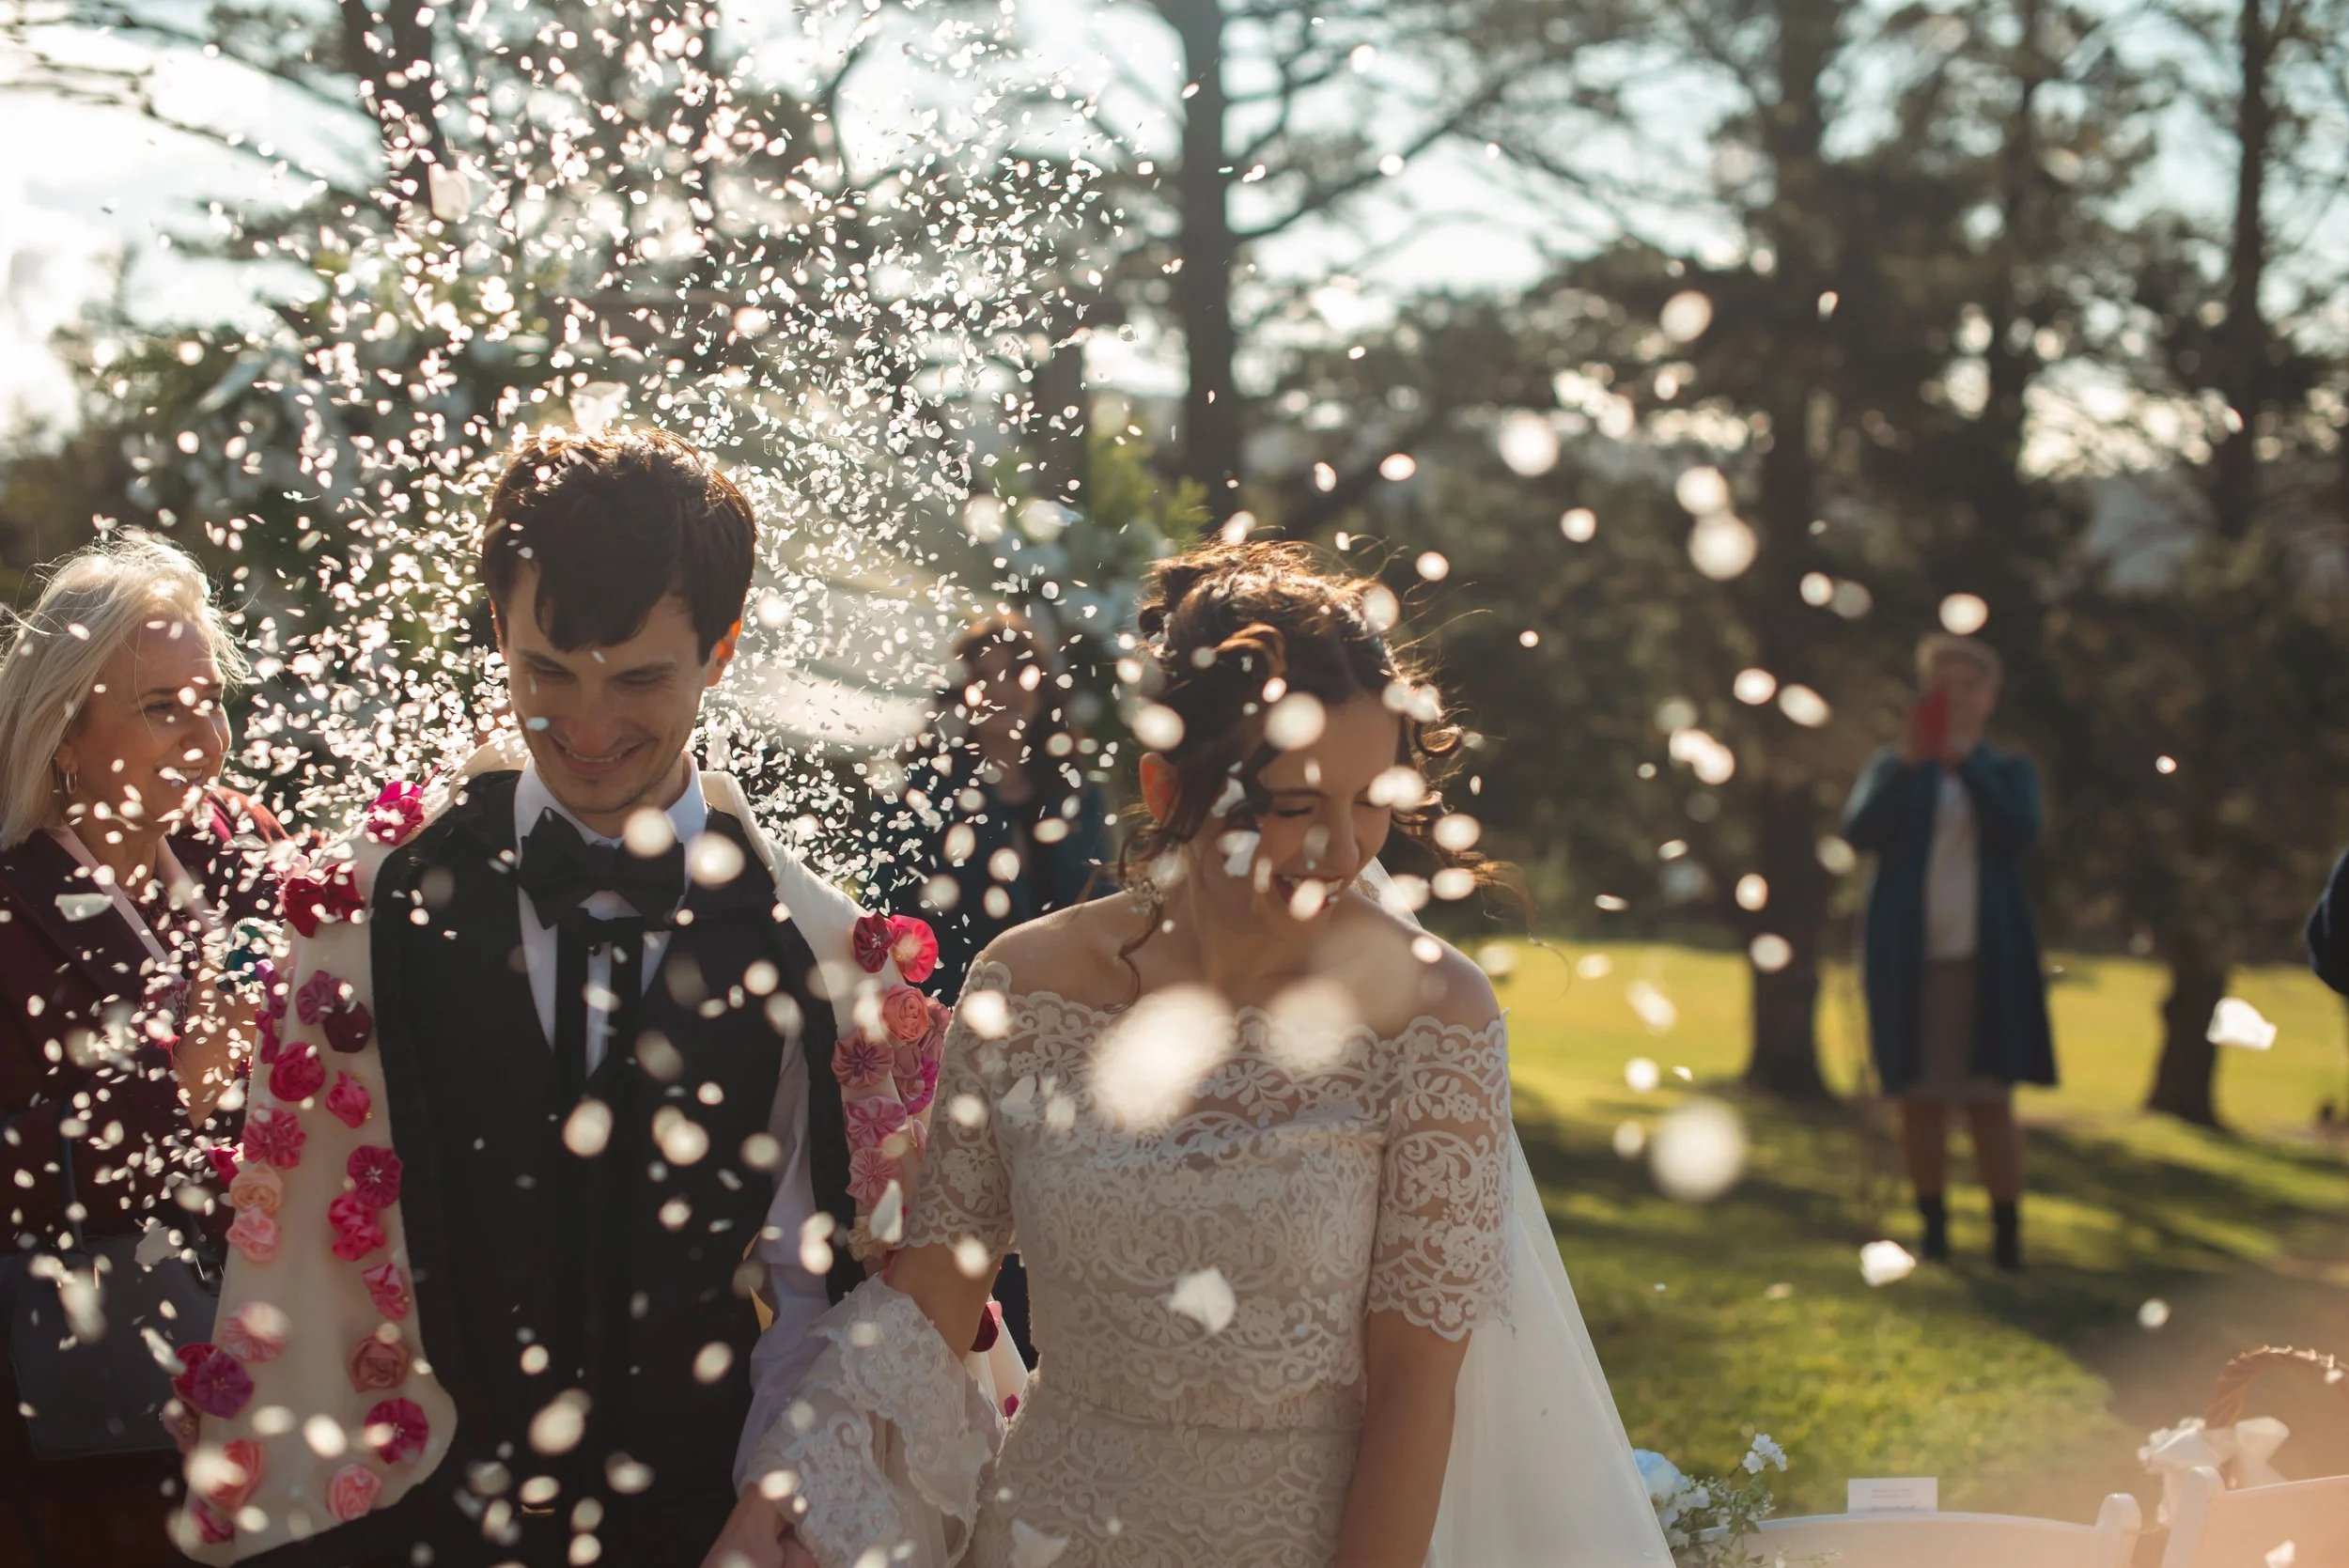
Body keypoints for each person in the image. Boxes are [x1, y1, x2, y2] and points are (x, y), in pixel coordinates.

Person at [718, 541, 1672, 1568]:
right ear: (1166, 787)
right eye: (1297, 807)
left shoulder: (1433, 1016)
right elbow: (934, 1299)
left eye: (1371, 801)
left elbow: (1412, 1392)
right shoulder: (1025, 988)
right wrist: (797, 1485)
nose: (1345, 851)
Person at [176, 429, 951, 1566]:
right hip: (416, 1523)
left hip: (704, 1526)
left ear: (721, 652)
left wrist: (779, 1502)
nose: (587, 728)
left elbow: (822, 1288)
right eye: (547, 672)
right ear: (498, 633)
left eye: (638, 678)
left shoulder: (822, 957)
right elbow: (300, 1271)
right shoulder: (369, 918)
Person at [0, 533, 283, 1565]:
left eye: (209, 698)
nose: (204, 738)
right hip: (89, 1423)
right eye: (162, 707)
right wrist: (170, 1092)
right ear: (67, 732)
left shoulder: (243, 844)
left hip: (277, 1377)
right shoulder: (10, 903)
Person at [888, 613, 1114, 1358]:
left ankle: (1048, 1356)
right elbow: (897, 902)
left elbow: (1107, 905)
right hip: (952, 1025)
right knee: (969, 1196)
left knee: (1053, 1204)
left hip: (1064, 1030)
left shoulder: (1072, 789)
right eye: (983, 672)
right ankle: (976, 1359)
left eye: (1015, 672)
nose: (1000, 688)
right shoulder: (930, 779)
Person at [1843, 631, 2054, 1272]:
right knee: (1919, 1098)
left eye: (1968, 685)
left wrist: (1966, 764)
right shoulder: (1895, 767)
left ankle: (2006, 1234)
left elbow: (2022, 832)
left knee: (1990, 1099)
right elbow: (1860, 831)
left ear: (1989, 696)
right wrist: (1914, 762)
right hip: (1911, 962)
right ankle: (1933, 1230)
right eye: (1942, 685)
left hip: (1988, 963)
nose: (1955, 697)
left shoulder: (2007, 770)